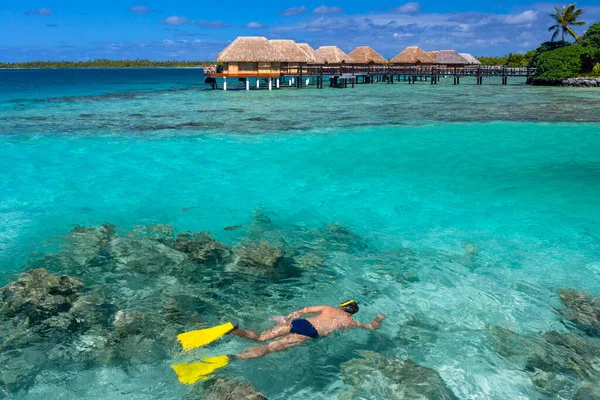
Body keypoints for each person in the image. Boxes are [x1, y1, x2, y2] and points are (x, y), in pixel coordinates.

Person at [231, 300, 386, 360]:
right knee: (269, 348)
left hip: (299, 323)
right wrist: (379, 318)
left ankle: (236, 331)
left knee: (260, 337)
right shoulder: (350, 322)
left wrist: (289, 317)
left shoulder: (329, 308)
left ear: (343, 306)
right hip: (309, 334)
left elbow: (304, 310)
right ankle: (236, 356)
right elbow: (371, 327)